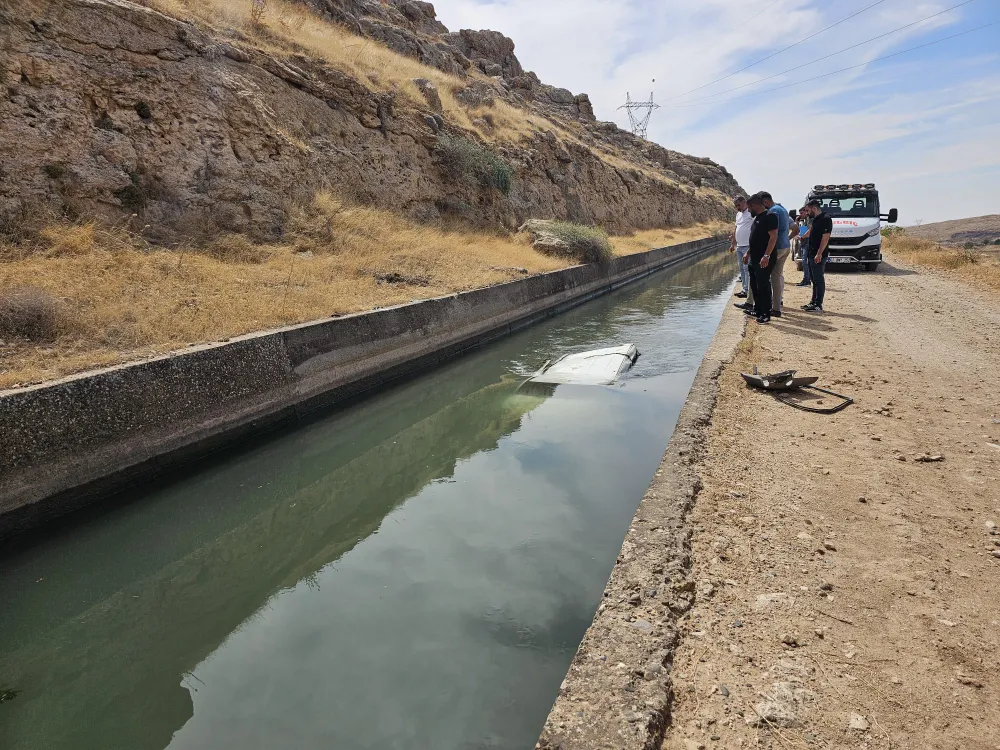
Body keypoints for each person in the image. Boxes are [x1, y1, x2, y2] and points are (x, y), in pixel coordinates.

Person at [744, 194, 778, 324]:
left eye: (749, 208)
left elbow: (773, 237)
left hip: (764, 258)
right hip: (755, 257)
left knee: (763, 285)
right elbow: (755, 239)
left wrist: (766, 255)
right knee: (755, 284)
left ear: (754, 206)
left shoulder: (770, 216)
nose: (748, 211)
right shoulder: (757, 218)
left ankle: (766, 313)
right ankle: (757, 309)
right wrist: (748, 253)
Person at [759, 192, 790, 317]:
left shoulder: (773, 211)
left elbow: (773, 233)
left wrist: (766, 254)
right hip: (785, 246)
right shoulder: (782, 208)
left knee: (767, 277)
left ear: (765, 202)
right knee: (776, 277)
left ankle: (767, 307)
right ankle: (776, 307)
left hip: (777, 248)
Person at [803, 198, 833, 312]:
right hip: (811, 253)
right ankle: (813, 302)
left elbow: (825, 238)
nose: (806, 213)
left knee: (818, 279)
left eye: (807, 210)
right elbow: (811, 232)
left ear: (814, 208)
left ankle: (818, 304)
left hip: (818, 255)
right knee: (813, 279)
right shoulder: (815, 219)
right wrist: (803, 237)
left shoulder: (826, 219)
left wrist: (819, 253)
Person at [730, 195, 753, 304]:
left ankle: (748, 291)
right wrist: (733, 243)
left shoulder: (751, 212)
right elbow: (736, 228)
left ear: (744, 202)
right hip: (739, 246)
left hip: (748, 246)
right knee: (741, 269)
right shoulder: (738, 214)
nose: (737, 207)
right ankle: (744, 289)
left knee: (747, 269)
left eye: (739, 205)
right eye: (736, 206)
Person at [796, 207, 812, 286]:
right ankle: (806, 279)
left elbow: (810, 230)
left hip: (807, 242)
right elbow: (799, 230)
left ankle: (807, 280)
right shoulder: (804, 221)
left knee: (805, 262)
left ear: (806, 212)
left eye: (802, 213)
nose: (800, 215)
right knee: (804, 261)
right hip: (803, 242)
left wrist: (802, 237)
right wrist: (797, 222)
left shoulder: (809, 219)